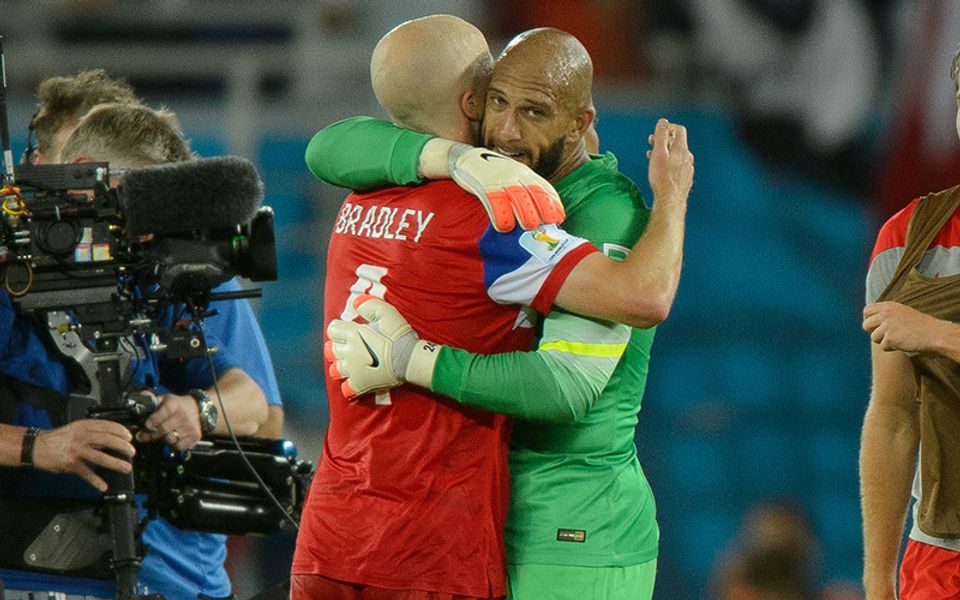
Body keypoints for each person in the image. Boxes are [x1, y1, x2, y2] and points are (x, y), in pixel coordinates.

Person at [295, 17, 692, 600]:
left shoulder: (603, 210)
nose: (504, 131)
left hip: (573, 524)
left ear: (580, 124)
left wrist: (415, 359)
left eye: (533, 112)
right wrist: (451, 158)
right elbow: (327, 147)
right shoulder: (484, 188)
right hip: (489, 518)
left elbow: (571, 380)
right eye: (497, 102)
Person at [0, 102, 273, 600]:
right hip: (33, 579)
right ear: (84, 173)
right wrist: (40, 446)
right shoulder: (11, 272)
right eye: (139, 198)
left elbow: (252, 403)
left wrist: (197, 408)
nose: (149, 225)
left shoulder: (145, 272)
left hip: (170, 581)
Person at [860, 44, 960, 600]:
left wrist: (940, 334)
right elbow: (894, 416)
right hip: (939, 561)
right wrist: (878, 580)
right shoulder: (904, 241)